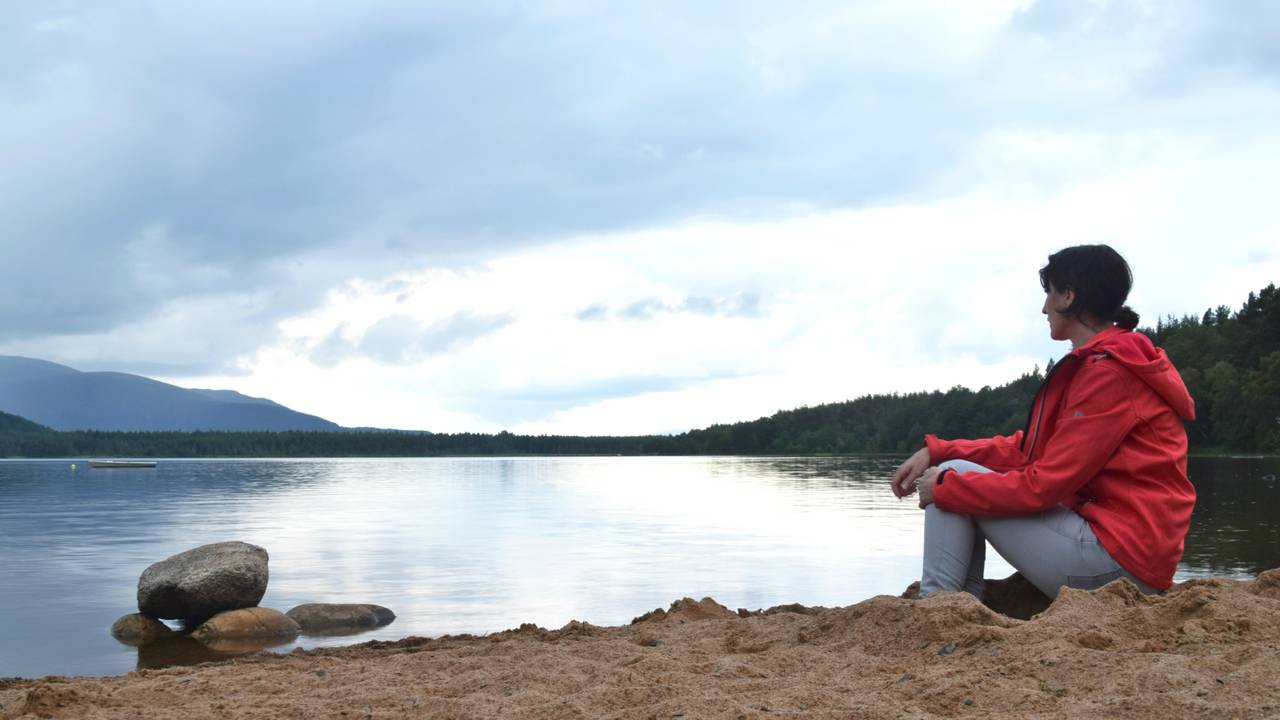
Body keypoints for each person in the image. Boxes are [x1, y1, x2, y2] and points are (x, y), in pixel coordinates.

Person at [891, 244, 1196, 600]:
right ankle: (959, 606)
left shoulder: (1110, 373)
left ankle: (938, 607)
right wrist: (938, 451)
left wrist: (945, 485)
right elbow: (1031, 450)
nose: (1043, 306)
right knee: (953, 470)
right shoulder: (1103, 364)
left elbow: (1044, 485)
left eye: (1049, 292)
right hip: (1132, 555)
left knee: (951, 481)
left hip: (1119, 566)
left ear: (1068, 296)